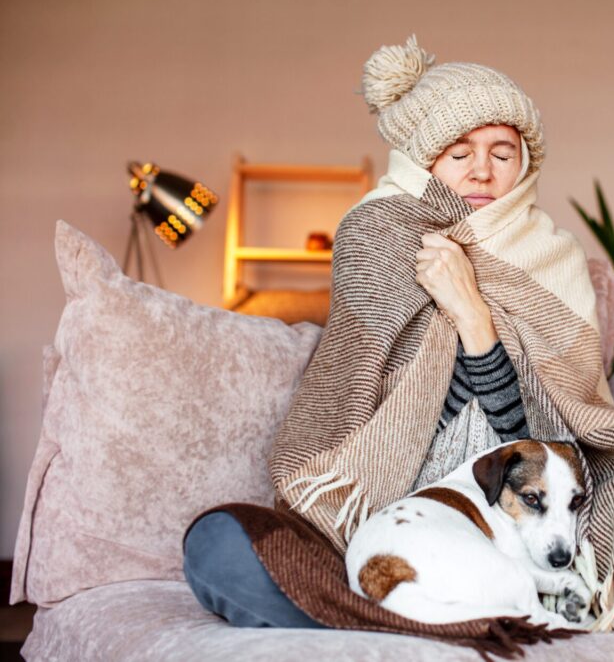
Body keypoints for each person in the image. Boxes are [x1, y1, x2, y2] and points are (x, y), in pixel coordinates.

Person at [183, 37, 543, 626]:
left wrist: (472, 316)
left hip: (493, 521)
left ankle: (395, 614)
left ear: (525, 166)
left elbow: (539, 452)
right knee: (218, 544)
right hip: (359, 520)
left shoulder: (550, 268)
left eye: (503, 152)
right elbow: (346, 391)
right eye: (459, 152)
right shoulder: (376, 234)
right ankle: (405, 609)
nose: (482, 169)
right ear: (424, 160)